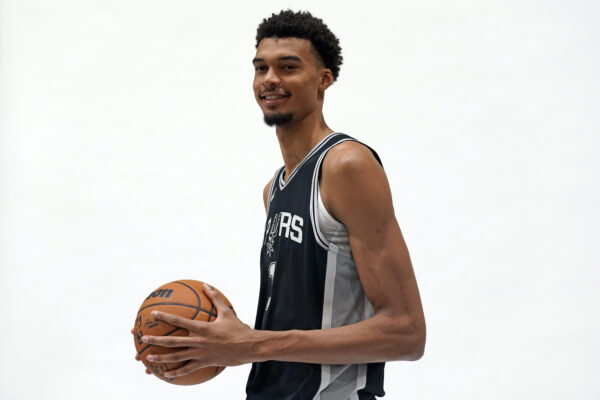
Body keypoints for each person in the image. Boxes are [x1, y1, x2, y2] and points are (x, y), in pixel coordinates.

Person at [135, 10, 426, 399]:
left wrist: (252, 344)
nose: (270, 79)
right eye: (261, 68)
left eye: (288, 67)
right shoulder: (274, 188)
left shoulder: (346, 166)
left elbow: (406, 332)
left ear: (325, 79)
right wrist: (196, 343)